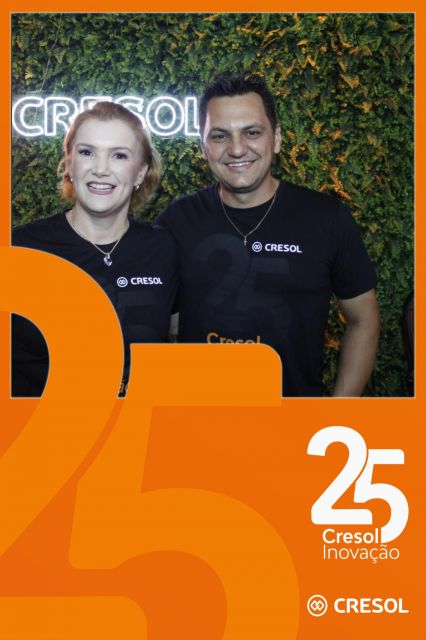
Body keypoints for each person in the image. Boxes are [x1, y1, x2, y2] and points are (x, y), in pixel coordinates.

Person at [157, 73, 380, 397]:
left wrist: (337, 414)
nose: (237, 149)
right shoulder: (176, 220)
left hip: (296, 421)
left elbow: (364, 319)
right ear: (203, 146)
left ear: (275, 138)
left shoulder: (326, 218)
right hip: (202, 419)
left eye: (252, 132)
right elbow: (158, 320)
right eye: (220, 136)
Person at [12, 101, 178, 396]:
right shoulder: (20, 249)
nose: (101, 169)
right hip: (40, 422)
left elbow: (179, 341)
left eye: (119, 155)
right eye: (87, 152)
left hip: (136, 422)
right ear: (69, 163)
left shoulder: (162, 249)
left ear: (140, 173)